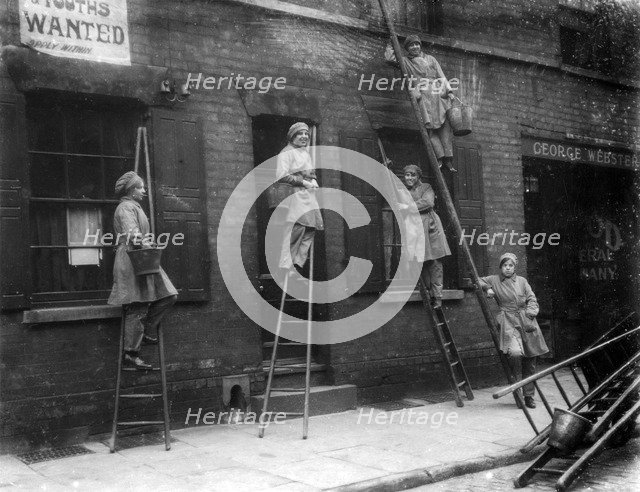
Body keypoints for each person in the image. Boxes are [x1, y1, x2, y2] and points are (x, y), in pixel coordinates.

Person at [108, 171, 178, 370]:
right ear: (131, 191)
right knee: (137, 305)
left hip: (143, 257)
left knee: (168, 295)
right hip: (132, 258)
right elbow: (134, 235)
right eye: (140, 187)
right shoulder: (125, 208)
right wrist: (147, 244)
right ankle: (130, 354)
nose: (144, 190)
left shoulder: (133, 206)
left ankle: (148, 332)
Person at [479, 253, 549, 408]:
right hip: (509, 322)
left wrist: (530, 314)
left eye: (511, 265)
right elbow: (476, 279)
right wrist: (487, 288)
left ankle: (529, 396)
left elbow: (532, 298)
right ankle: (516, 391)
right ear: (501, 267)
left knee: (530, 361)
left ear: (514, 267)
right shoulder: (494, 280)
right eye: (505, 265)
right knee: (516, 353)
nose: (508, 268)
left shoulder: (522, 281)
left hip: (527, 322)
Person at [385, 35, 456, 172]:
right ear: (407, 49)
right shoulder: (405, 61)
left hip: (438, 95)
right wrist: (390, 43)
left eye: (417, 44)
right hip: (423, 96)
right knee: (430, 129)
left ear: (420, 45)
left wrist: (450, 91)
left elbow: (441, 76)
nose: (415, 47)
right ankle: (439, 158)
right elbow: (390, 59)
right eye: (411, 45)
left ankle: (448, 159)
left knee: (445, 127)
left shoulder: (431, 59)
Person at [399, 164, 451, 308]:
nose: (409, 178)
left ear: (418, 176)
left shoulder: (426, 187)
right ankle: (427, 294)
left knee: (434, 262)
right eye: (407, 175)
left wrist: (408, 207)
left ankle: (438, 297)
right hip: (414, 228)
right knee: (419, 261)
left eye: (412, 175)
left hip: (430, 227)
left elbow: (428, 202)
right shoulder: (403, 191)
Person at [276, 122, 323, 273]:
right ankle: (286, 264)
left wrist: (313, 179)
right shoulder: (287, 152)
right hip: (295, 195)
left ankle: (297, 262)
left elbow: (310, 172)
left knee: (310, 228)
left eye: (306, 134)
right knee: (297, 228)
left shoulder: (305, 152)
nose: (304, 137)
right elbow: (281, 175)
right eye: (300, 134)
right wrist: (303, 182)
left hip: (309, 195)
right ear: (293, 136)